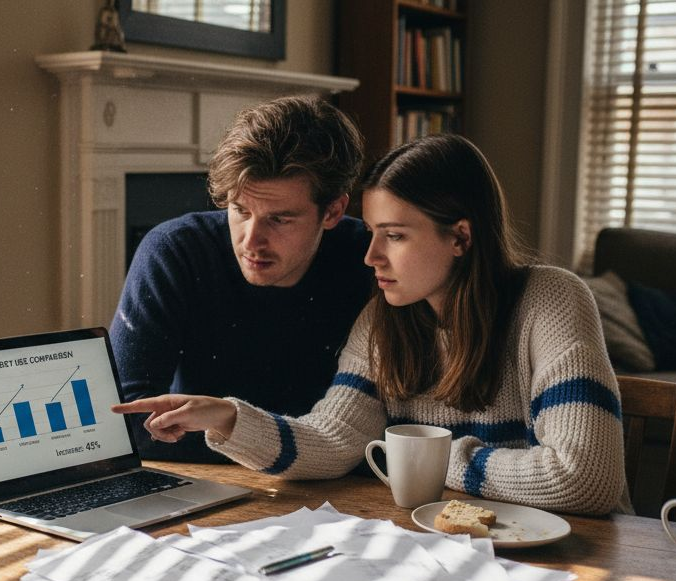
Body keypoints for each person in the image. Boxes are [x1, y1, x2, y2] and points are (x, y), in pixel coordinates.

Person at [113, 134, 629, 516]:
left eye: (395, 236)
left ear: (461, 238)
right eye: (373, 232)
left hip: (576, 557)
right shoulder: (386, 319)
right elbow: (334, 442)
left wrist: (428, 461)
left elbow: (583, 480)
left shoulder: (551, 300)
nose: (371, 255)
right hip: (453, 543)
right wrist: (227, 418)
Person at [110, 96, 374, 463]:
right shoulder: (174, 251)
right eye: (240, 210)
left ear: (332, 211)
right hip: (211, 481)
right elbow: (128, 419)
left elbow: (375, 427)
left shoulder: (371, 259)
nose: (251, 241)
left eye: (279, 219)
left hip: (330, 479)